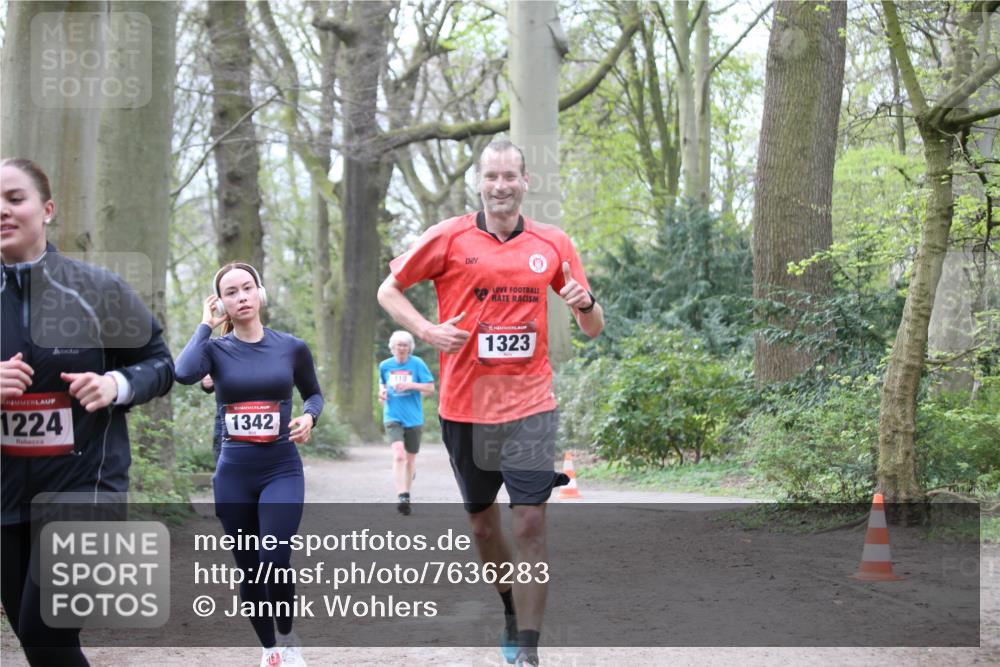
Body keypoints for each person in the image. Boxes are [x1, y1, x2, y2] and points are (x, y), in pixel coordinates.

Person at [377, 140, 604, 667]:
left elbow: (592, 330)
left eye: (510, 176)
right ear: (479, 183)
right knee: (483, 527)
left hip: (530, 404)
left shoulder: (553, 244)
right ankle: (508, 606)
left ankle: (528, 648)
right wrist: (427, 330)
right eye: (492, 176)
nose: (501, 186)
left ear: (526, 182)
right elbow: (390, 290)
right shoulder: (450, 237)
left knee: (529, 523)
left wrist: (586, 304)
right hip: (465, 408)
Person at [0, 158, 175, 666]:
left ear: (47, 209)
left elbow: (160, 363)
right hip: (6, 495)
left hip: (85, 487)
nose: (3, 211)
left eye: (15, 198)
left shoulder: (97, 289)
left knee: (45, 627)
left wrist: (115, 384)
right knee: (41, 644)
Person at [174, 262, 323, 667]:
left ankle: (289, 638)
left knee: (274, 558)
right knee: (250, 569)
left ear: (260, 292)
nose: (241, 297)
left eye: (247, 288)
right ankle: (269, 649)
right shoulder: (215, 350)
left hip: (281, 470)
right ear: (220, 302)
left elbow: (313, 394)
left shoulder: (291, 346)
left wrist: (309, 417)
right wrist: (205, 326)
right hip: (234, 475)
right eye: (231, 292)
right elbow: (184, 373)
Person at [378, 330, 435, 515]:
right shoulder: (385, 365)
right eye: (398, 345)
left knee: (410, 460)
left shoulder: (417, 364)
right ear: (392, 347)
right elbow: (383, 386)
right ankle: (403, 496)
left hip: (413, 417)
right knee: (398, 455)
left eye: (405, 345)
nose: (401, 348)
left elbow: (430, 388)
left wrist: (411, 385)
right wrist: (382, 393)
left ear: (410, 347)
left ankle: (407, 487)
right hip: (392, 415)